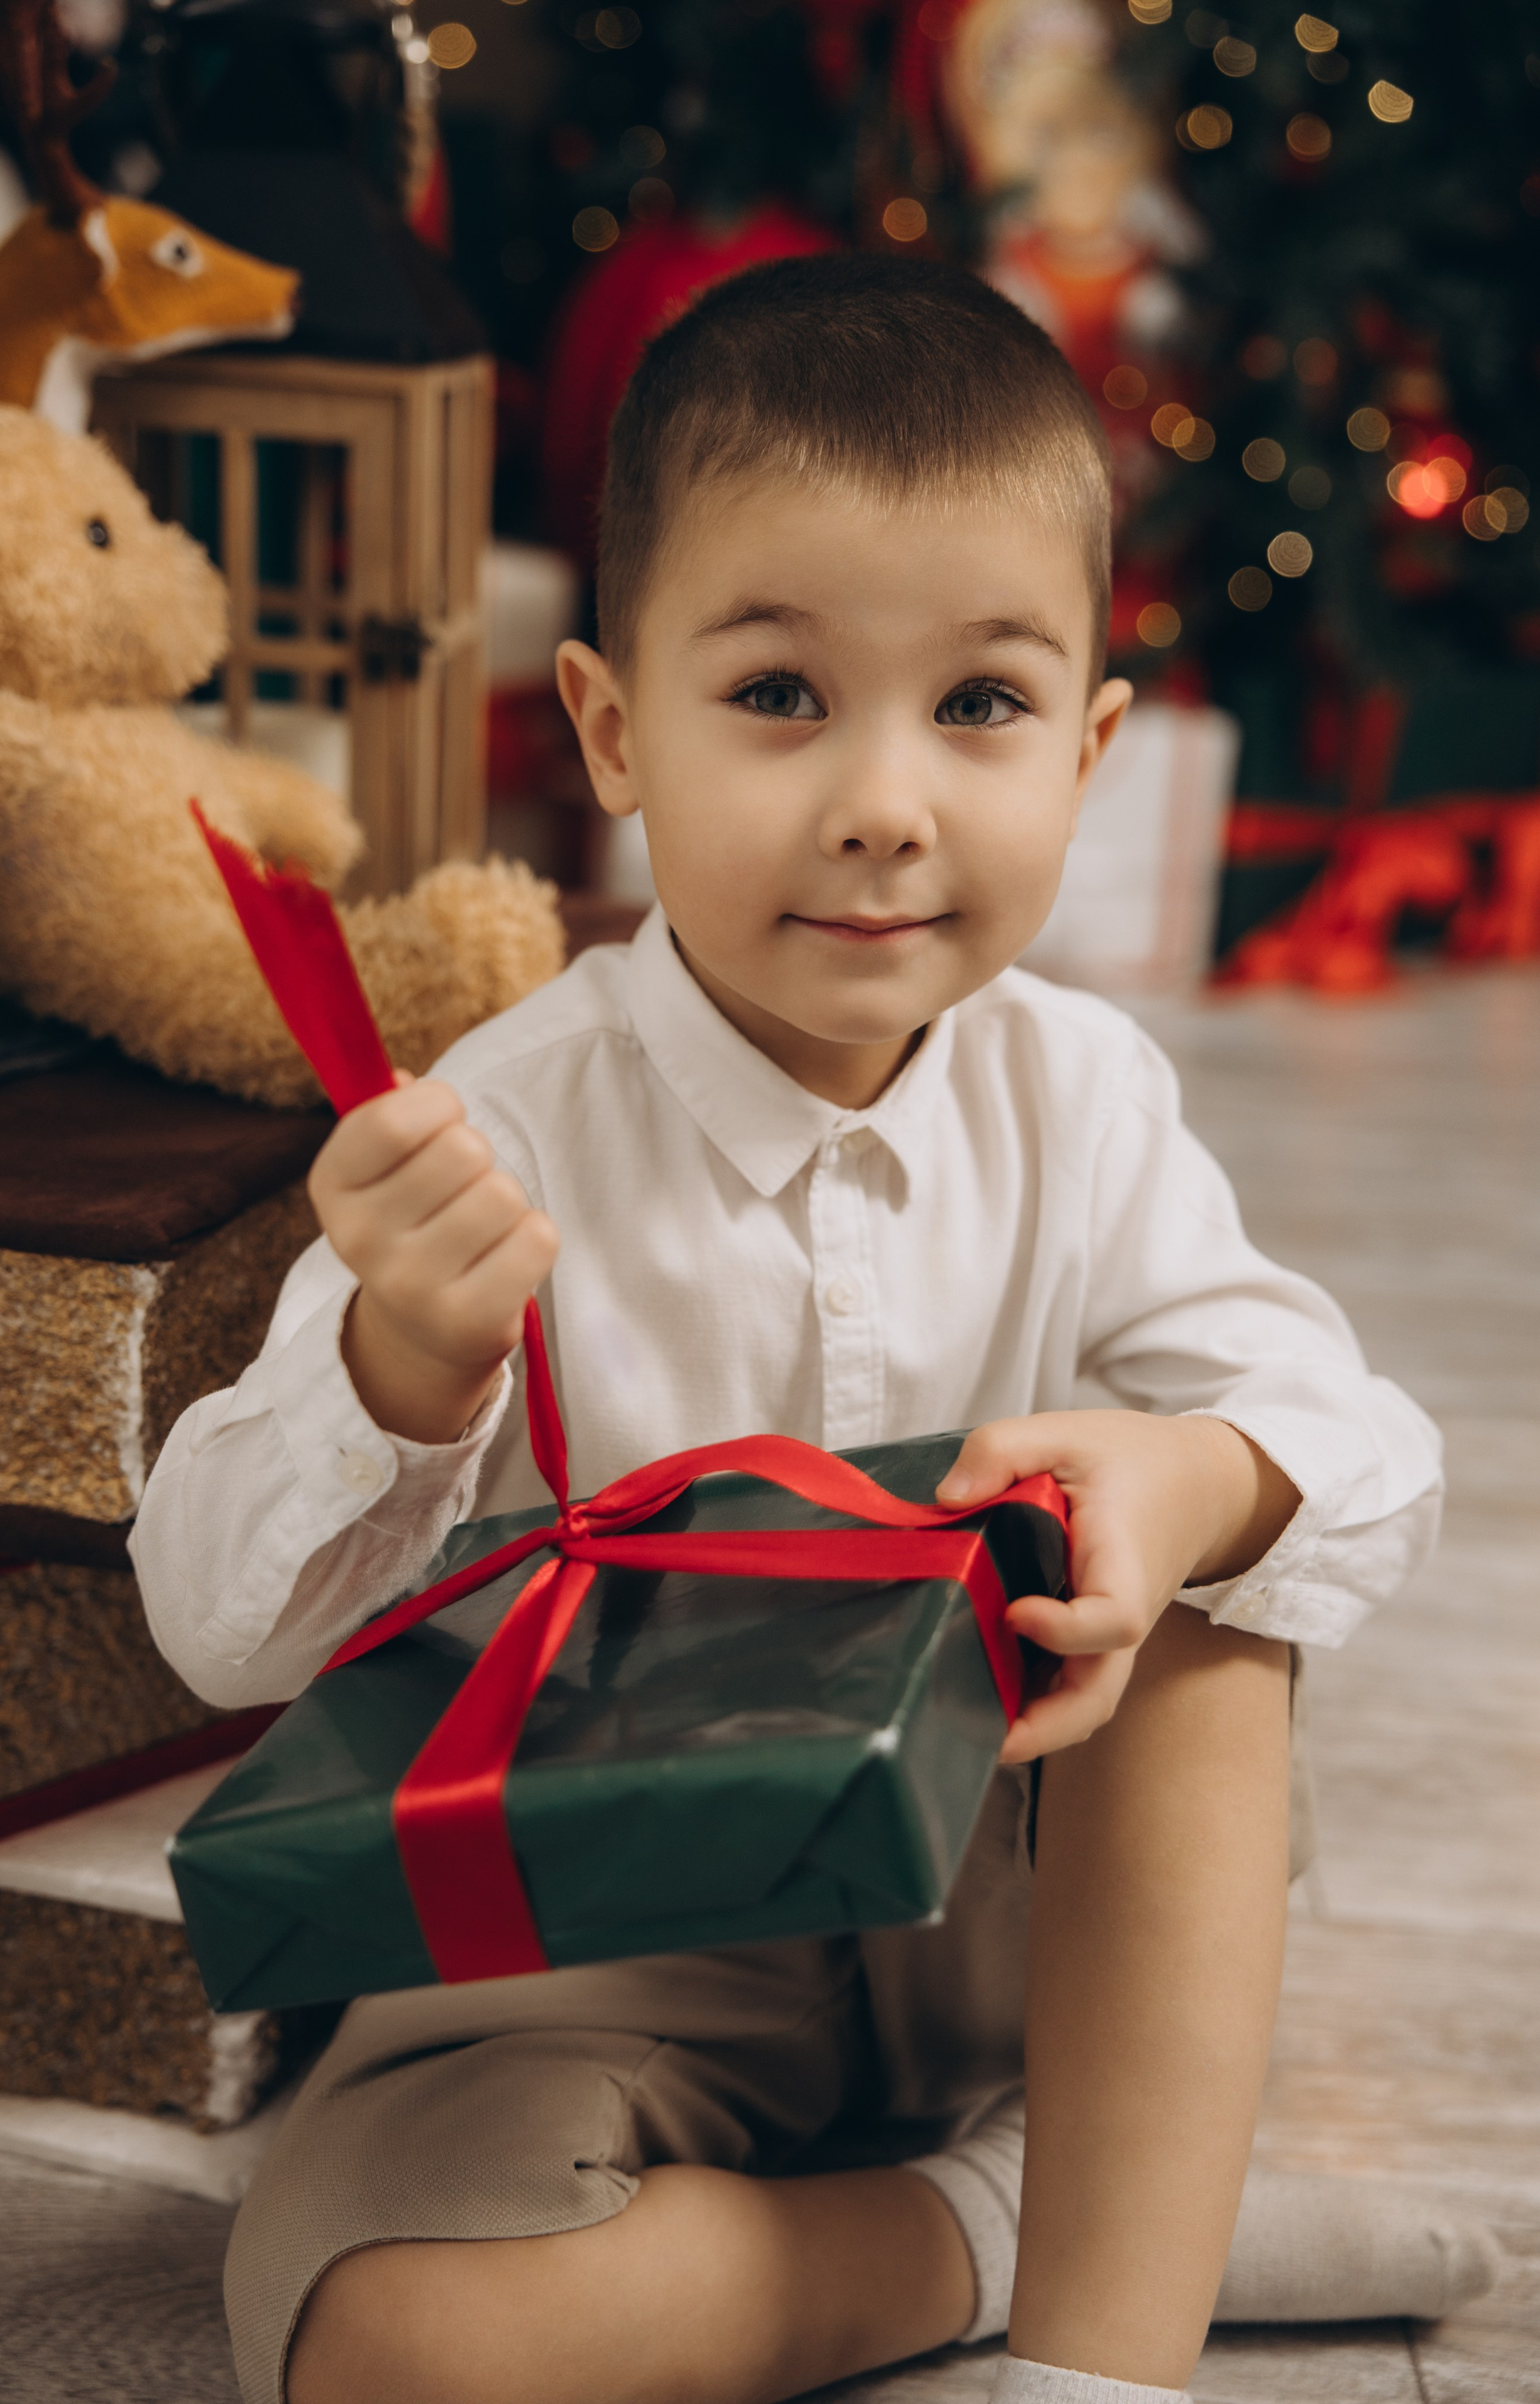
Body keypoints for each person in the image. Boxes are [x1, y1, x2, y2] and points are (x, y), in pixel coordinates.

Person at [135, 255, 1477, 2404]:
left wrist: (1198, 1480)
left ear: (1093, 752)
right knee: (389, 2344)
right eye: (777, 697)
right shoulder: (495, 1128)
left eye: (980, 707)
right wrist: (406, 1367)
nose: (885, 803)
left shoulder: (1086, 1098)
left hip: (1007, 1918)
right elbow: (212, 1629)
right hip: (610, 1947)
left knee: (1228, 1567)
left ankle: (1096, 2361)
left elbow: (1368, 1448)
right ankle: (1042, 2228)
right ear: (610, 729)